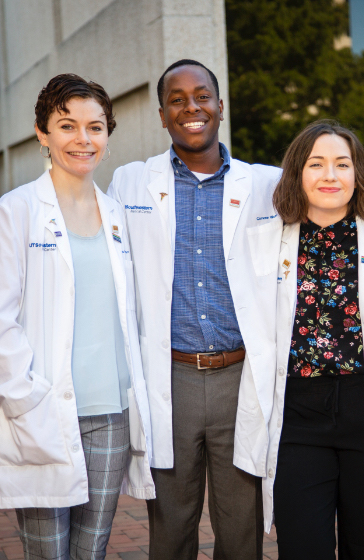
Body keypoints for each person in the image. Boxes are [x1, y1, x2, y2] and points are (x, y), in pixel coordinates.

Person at [108, 59, 282, 560]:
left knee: (241, 528)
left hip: (240, 376)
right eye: (177, 99)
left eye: (202, 95)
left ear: (220, 106)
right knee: (171, 525)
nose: (192, 108)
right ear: (162, 115)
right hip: (172, 375)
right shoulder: (130, 183)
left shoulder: (268, 185)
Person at [235, 120, 364, 559]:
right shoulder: (266, 242)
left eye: (342, 164)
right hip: (299, 418)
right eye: (316, 164)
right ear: (298, 172)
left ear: (358, 174)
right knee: (304, 548)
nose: (330, 176)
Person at [0, 74, 154, 560]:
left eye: (95, 127)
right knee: (48, 554)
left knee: (92, 550)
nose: (82, 139)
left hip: (110, 412)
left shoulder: (117, 215)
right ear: (42, 133)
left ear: (108, 137)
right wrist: (25, 396)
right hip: (44, 411)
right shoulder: (17, 211)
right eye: (67, 126)